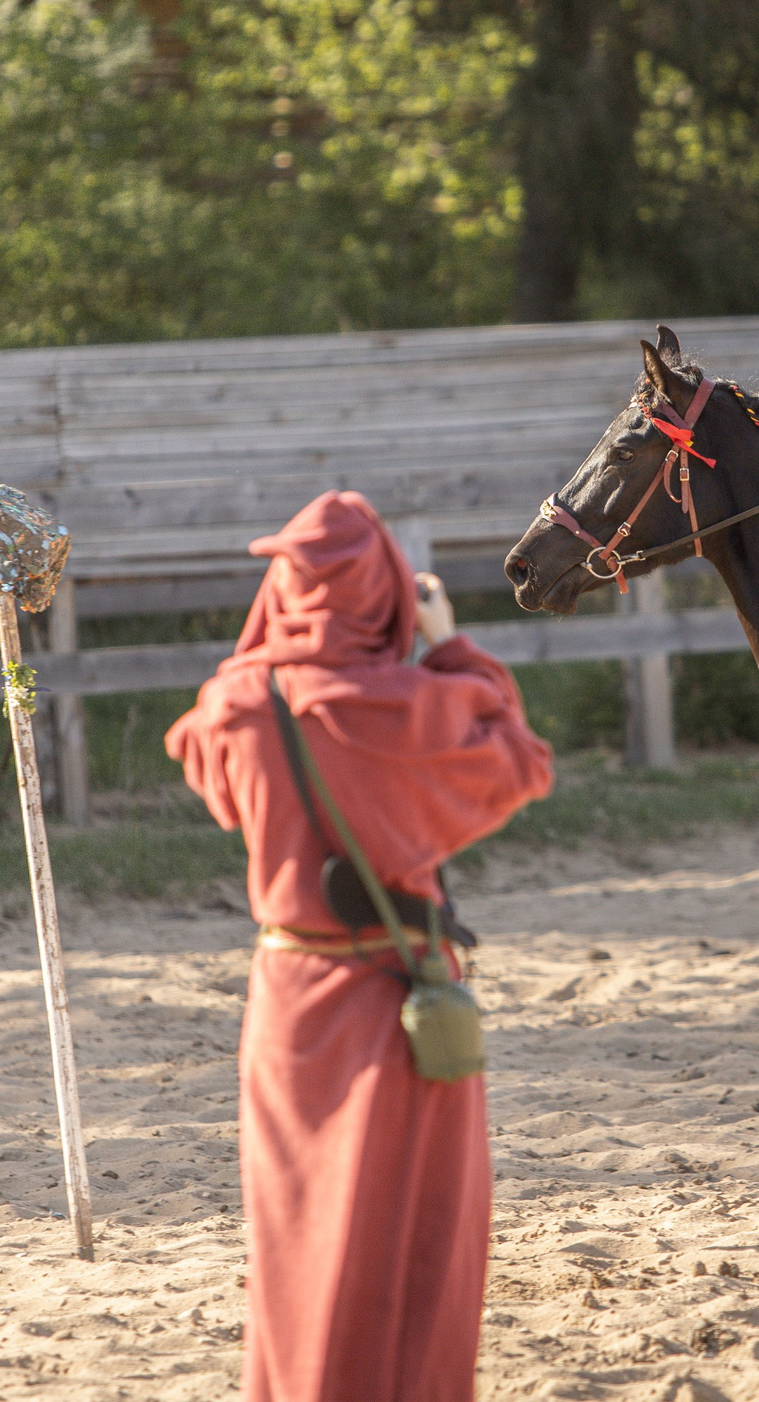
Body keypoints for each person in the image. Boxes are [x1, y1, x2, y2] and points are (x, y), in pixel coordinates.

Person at [164, 490, 554, 1402]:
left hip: (289, 1000)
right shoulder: (409, 704)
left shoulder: (236, 705)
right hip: (399, 1001)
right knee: (412, 1244)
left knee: (296, 1242)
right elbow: (521, 760)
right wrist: (447, 642)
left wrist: (265, 653)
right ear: (383, 590)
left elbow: (207, 766)